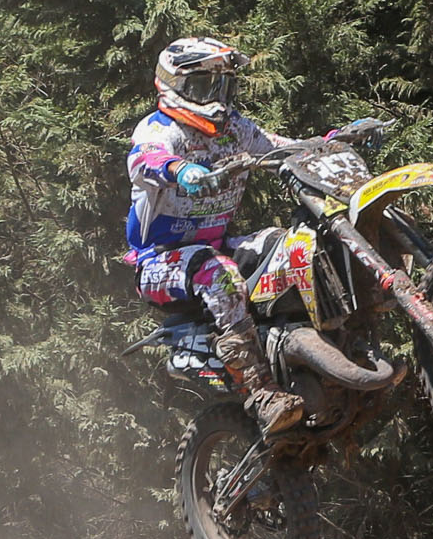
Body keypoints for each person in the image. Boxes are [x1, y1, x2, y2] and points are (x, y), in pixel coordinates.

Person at [125, 36, 307, 433]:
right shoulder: (159, 130)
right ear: (175, 85)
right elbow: (145, 159)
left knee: (288, 244)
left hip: (215, 248)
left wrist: (330, 144)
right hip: (159, 263)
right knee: (218, 273)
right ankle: (261, 391)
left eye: (224, 86)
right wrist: (180, 170)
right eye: (206, 87)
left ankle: (305, 352)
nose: (218, 100)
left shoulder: (235, 129)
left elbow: (278, 147)